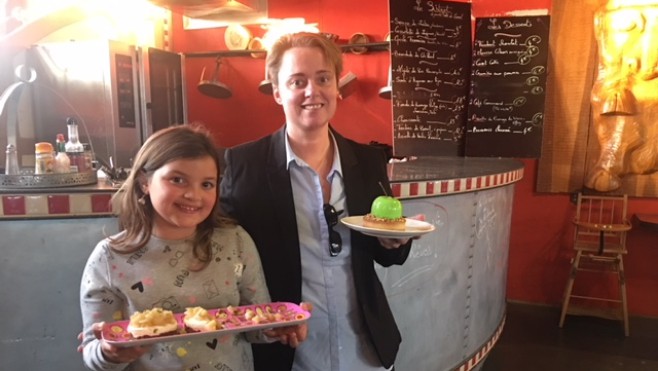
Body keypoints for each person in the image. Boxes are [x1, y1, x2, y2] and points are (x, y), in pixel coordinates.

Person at [220, 32, 416, 371]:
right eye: (297, 81)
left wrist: (393, 241)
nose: (312, 91)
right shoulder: (243, 165)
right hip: (289, 351)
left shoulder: (369, 161)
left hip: (365, 348)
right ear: (278, 92)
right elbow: (224, 255)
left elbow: (386, 254)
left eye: (323, 78)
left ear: (337, 86)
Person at [79, 125, 307, 371]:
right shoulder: (109, 258)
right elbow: (93, 350)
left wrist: (279, 327)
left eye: (207, 184)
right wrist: (109, 354)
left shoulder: (236, 243)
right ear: (145, 181)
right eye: (178, 180)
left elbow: (256, 327)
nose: (193, 195)